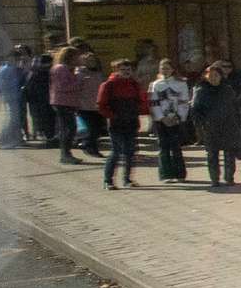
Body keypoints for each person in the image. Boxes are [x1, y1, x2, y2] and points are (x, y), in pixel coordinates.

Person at [96, 59, 149, 189]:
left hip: (131, 122)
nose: (126, 72)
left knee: (130, 152)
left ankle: (127, 179)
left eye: (128, 70)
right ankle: (108, 181)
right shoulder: (108, 85)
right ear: (116, 70)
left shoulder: (135, 85)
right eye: (123, 70)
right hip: (116, 123)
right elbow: (100, 105)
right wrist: (113, 116)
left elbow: (143, 102)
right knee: (116, 151)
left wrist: (138, 111)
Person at [193, 61, 241, 188]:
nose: (213, 78)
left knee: (229, 154)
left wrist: (237, 124)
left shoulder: (227, 90)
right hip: (210, 127)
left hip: (228, 126)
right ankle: (214, 179)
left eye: (216, 75)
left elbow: (235, 108)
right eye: (210, 75)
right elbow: (195, 110)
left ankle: (229, 178)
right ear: (205, 77)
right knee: (212, 154)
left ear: (221, 77)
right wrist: (200, 124)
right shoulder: (201, 91)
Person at [148, 60, 193, 182]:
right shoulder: (156, 85)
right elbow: (153, 103)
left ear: (172, 69)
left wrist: (178, 117)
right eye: (162, 68)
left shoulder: (181, 84)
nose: (165, 71)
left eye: (167, 68)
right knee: (164, 146)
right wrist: (162, 118)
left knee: (176, 146)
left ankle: (179, 174)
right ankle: (165, 174)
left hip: (176, 120)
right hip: (161, 121)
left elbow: (184, 102)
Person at [48, 46, 89, 163]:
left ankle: (66, 153)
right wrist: (79, 76)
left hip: (65, 101)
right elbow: (64, 87)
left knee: (68, 128)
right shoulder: (61, 68)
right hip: (63, 102)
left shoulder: (65, 68)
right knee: (69, 128)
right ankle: (65, 154)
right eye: (76, 57)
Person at [74, 48, 107, 157]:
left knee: (97, 129)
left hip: (97, 105)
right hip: (84, 105)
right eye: (89, 61)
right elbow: (76, 88)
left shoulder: (97, 73)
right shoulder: (80, 72)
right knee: (90, 128)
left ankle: (92, 147)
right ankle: (89, 146)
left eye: (93, 60)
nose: (92, 63)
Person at [0, 45, 27, 147]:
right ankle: (5, 141)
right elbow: (14, 83)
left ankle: (11, 139)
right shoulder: (10, 69)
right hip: (12, 97)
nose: (18, 61)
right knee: (11, 120)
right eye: (17, 59)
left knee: (9, 119)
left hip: (4, 96)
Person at [23, 44, 55, 145]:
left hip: (37, 100)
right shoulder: (46, 72)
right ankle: (49, 138)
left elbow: (28, 86)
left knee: (41, 119)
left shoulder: (32, 72)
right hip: (44, 99)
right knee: (48, 119)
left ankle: (46, 136)